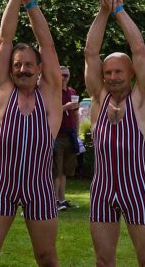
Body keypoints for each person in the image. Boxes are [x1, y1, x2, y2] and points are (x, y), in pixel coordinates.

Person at [0, 0, 62, 267]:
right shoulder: (1, 93)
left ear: (39, 70)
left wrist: (31, 4)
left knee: (47, 257)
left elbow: (46, 45)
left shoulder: (49, 96)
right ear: (10, 70)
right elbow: (4, 41)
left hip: (40, 189)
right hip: (2, 187)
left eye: (28, 65)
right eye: (17, 65)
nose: (22, 69)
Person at [84, 0, 145, 266]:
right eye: (108, 72)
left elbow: (139, 51)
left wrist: (119, 10)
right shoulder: (98, 99)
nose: (112, 77)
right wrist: (103, 11)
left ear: (131, 74)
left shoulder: (142, 101)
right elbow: (91, 52)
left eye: (118, 72)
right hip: (102, 191)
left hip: (136, 190)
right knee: (103, 261)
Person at [53, 65, 79, 211]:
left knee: (65, 171)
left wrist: (77, 132)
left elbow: (75, 114)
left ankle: (62, 200)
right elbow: (48, 112)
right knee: (56, 171)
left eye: (66, 75)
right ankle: (55, 201)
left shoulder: (72, 92)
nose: (64, 78)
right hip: (57, 135)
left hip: (70, 135)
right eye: (61, 75)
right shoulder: (53, 92)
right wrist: (65, 107)